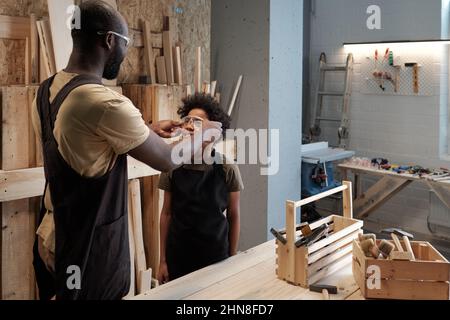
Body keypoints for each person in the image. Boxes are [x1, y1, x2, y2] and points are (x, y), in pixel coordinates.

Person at [31, 0, 220, 300]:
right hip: (89, 248)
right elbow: (169, 159)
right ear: (109, 40)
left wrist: (147, 130)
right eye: (125, 42)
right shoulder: (104, 102)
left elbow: (82, 143)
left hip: (52, 235)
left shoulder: (46, 91)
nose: (125, 51)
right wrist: (204, 135)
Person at [157, 94, 244, 284]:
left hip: (215, 255)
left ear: (212, 129)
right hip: (178, 255)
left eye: (197, 122)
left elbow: (234, 215)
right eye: (186, 120)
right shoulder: (172, 165)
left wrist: (232, 257)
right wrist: (162, 261)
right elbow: (166, 214)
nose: (189, 126)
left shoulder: (227, 167)